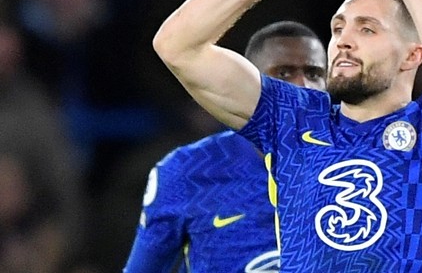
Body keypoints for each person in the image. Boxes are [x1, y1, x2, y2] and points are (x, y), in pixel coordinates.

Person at [153, 0, 422, 272]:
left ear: (413, 56)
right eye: (338, 27)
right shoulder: (290, 121)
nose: (343, 40)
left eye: (367, 29)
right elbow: (177, 46)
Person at [123, 21, 327, 272]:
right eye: (284, 73)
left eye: (315, 74)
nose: (302, 86)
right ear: (250, 82)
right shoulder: (188, 171)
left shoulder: (354, 164)